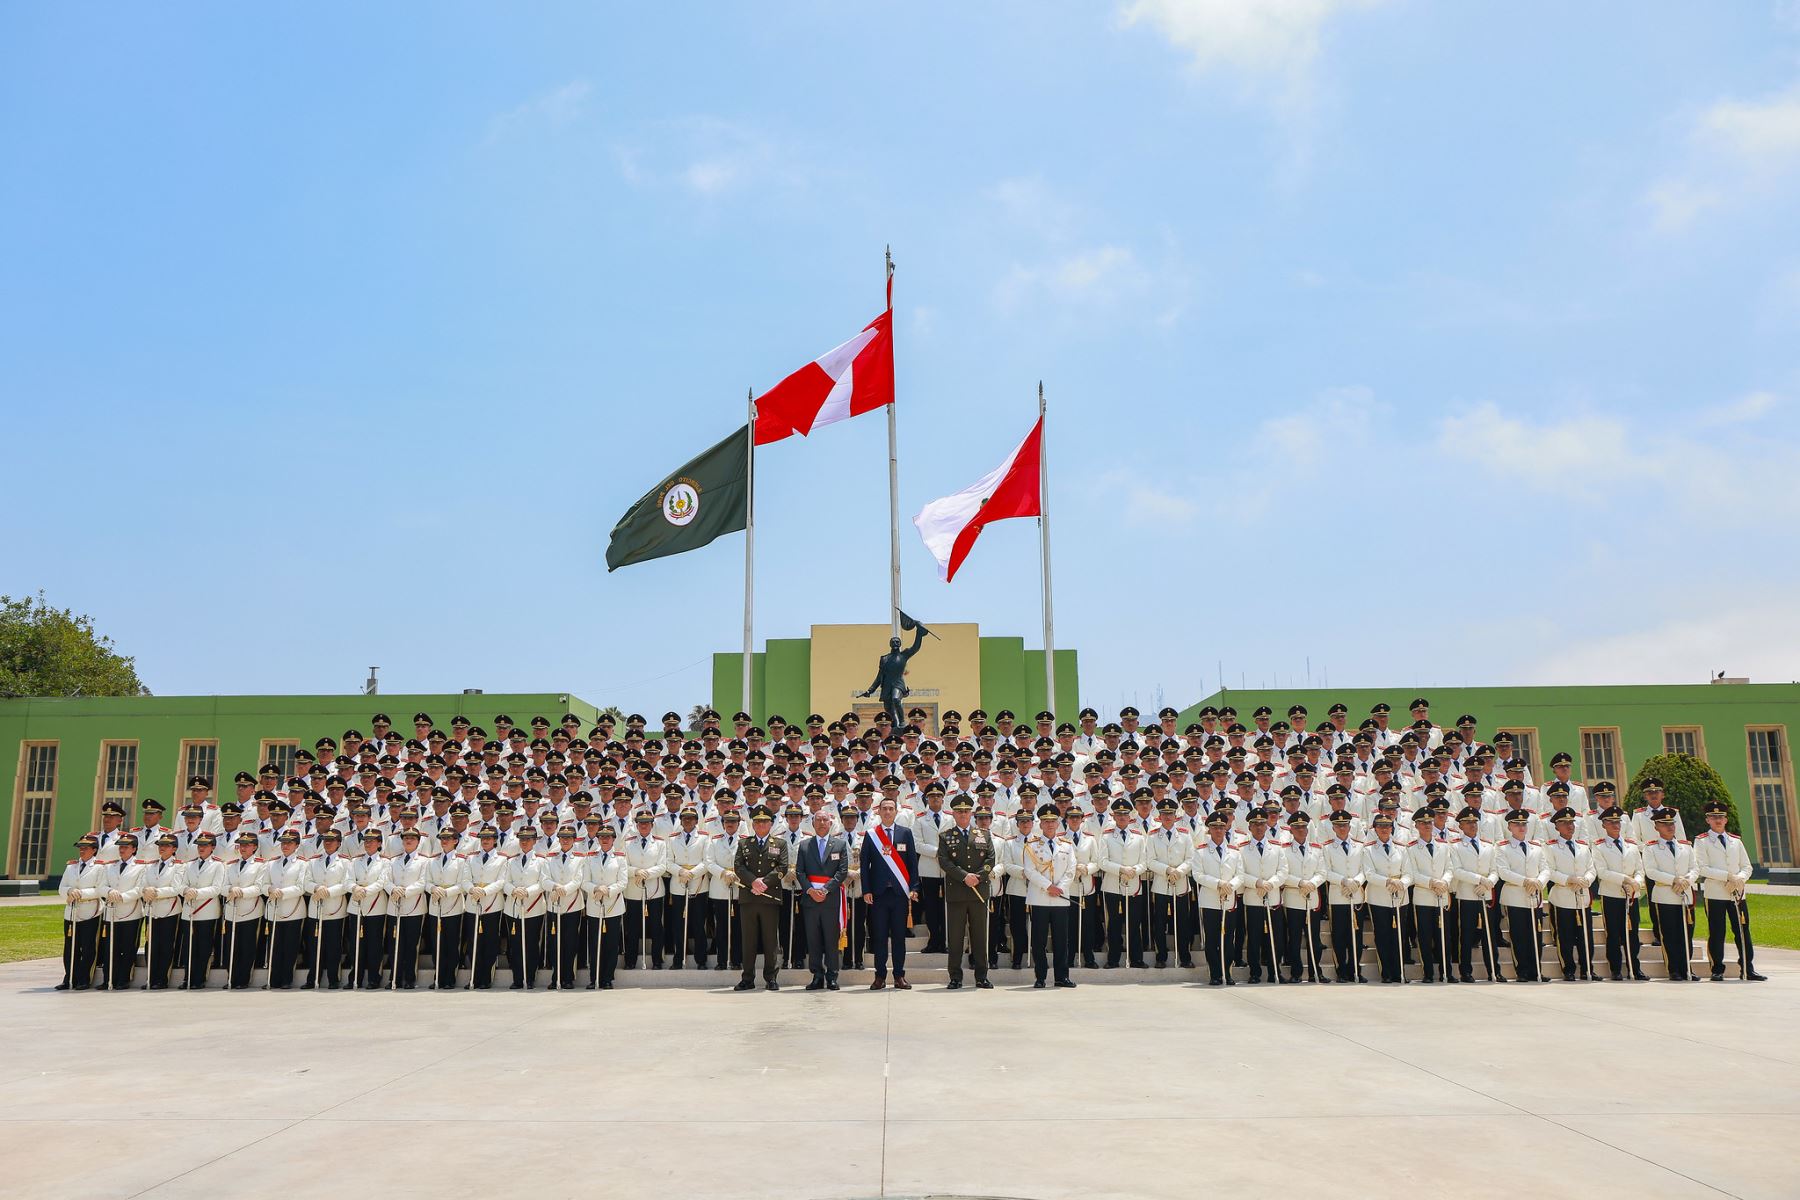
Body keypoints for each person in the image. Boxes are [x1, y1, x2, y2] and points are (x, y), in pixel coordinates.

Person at [1693, 799, 1763, 981]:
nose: (1718, 820)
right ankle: (1717, 969)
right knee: (1717, 932)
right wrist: (1727, 876)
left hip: (1737, 893)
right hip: (1716, 893)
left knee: (1742, 931)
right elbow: (1702, 868)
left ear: (1726, 819)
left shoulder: (1735, 841)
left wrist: (1739, 879)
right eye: (1713, 817)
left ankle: (1747, 968)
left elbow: (1747, 866)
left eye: (1721, 817)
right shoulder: (1701, 841)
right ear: (1707, 819)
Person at [936, 793, 995, 990]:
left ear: (971, 814)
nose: (963, 814)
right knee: (955, 938)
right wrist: (964, 876)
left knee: (979, 937)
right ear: (953, 814)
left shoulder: (984, 834)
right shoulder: (945, 836)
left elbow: (990, 860)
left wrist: (977, 877)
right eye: (959, 811)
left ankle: (981, 976)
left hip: (978, 892)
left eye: (966, 811)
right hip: (957, 893)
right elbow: (944, 861)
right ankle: (955, 977)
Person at [860, 794, 919, 990]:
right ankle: (879, 976)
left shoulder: (905, 833)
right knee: (879, 937)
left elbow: (912, 863)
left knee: (899, 937)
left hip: (899, 894)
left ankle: (899, 975)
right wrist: (866, 889)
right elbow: (864, 865)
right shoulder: (871, 835)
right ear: (878, 811)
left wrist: (914, 887)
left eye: (890, 808)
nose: (887, 812)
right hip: (878, 894)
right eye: (884, 808)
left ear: (896, 811)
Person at [733, 805, 789, 991]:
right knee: (748, 940)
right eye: (757, 821)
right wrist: (753, 882)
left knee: (770, 940)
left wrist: (763, 883)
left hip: (769, 897)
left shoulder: (779, 844)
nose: (761, 824)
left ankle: (771, 978)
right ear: (753, 824)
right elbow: (738, 867)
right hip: (749, 898)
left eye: (765, 821)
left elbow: (782, 867)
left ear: (771, 824)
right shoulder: (744, 843)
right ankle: (747, 978)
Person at [1022, 803, 1077, 988]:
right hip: (1040, 898)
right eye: (1046, 821)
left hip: (1060, 898)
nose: (1050, 824)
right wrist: (1048, 887)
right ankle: (1040, 977)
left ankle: (1062, 977)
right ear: (1041, 824)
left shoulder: (1067, 845)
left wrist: (1059, 888)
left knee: (1061, 940)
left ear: (1058, 823)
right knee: (1039, 941)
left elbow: (1071, 870)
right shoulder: (1031, 846)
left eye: (1053, 821)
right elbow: (1029, 871)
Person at [796, 806, 850, 990]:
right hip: (810, 900)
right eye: (818, 820)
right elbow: (800, 872)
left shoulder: (839, 845)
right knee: (813, 940)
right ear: (812, 823)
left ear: (830, 823)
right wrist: (811, 891)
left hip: (831, 900)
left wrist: (825, 890)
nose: (821, 823)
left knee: (831, 939)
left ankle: (832, 975)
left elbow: (842, 871)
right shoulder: (805, 845)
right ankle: (817, 976)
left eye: (825, 820)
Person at [1543, 806, 1595, 982]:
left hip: (1582, 896)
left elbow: (1591, 869)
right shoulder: (1550, 847)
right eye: (1565, 823)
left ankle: (1587, 968)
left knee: (1586, 937)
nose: (1570, 826)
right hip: (1563, 897)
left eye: (1572, 822)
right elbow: (1549, 870)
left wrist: (1586, 880)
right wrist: (1568, 879)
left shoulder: (1583, 847)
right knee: (1565, 937)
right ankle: (1568, 969)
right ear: (1557, 826)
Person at [1448, 806, 1499, 982]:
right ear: (1460, 826)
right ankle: (1466, 971)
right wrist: (1479, 879)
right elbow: (1457, 870)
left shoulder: (1488, 845)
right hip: (1466, 895)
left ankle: (1494, 970)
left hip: (1486, 894)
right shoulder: (1455, 846)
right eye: (1468, 822)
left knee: (1489, 935)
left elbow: (1495, 870)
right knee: (1466, 934)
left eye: (1474, 822)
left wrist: (1489, 882)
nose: (1472, 825)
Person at [1190, 811, 1240, 986]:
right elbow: (1197, 875)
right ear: (1209, 829)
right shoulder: (1201, 851)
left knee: (1228, 939)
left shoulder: (1234, 851)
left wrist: (1230, 885)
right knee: (1211, 940)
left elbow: (1240, 875)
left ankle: (1227, 972)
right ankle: (1215, 973)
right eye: (1215, 827)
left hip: (1229, 899)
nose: (1218, 830)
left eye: (1221, 827)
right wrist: (1218, 883)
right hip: (1210, 900)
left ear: (1226, 829)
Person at [1144, 797, 1194, 969]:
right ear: (1159, 816)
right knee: (1160, 923)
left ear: (1175, 815)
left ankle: (1185, 956)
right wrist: (1167, 870)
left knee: (1182, 922)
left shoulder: (1185, 835)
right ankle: (1161, 956)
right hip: (1161, 883)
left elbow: (1191, 859)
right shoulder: (1152, 836)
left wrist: (1179, 871)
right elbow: (1150, 860)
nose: (1167, 817)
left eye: (1170, 813)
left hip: (1180, 884)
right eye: (1164, 814)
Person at [1498, 811, 1547, 983]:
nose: (1521, 827)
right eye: (1517, 824)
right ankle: (1522, 971)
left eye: (1524, 824)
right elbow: (1503, 872)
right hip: (1515, 896)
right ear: (1509, 827)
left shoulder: (1536, 847)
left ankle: (1536, 970)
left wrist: (1539, 882)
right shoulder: (1502, 848)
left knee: (1536, 935)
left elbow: (1545, 869)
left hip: (1534, 896)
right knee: (1519, 936)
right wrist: (1525, 881)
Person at [1404, 808, 1452, 983]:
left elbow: (1450, 868)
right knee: (1424, 937)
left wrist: (1444, 882)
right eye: (1423, 823)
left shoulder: (1443, 846)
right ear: (1416, 825)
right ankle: (1428, 973)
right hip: (1423, 897)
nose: (1427, 825)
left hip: (1441, 896)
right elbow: (1412, 873)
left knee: (1444, 937)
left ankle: (1447, 972)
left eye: (1429, 822)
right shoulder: (1411, 848)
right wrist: (1431, 882)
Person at [1238, 810, 1286, 984]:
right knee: (1254, 938)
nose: (1259, 827)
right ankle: (1255, 973)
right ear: (1249, 827)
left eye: (1262, 824)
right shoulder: (1242, 849)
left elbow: (1283, 871)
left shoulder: (1277, 848)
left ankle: (1275, 971)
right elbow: (1239, 873)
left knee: (1276, 938)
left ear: (1267, 826)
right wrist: (1256, 883)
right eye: (1255, 824)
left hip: (1272, 898)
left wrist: (1271, 884)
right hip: (1253, 898)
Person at [57, 834, 108, 990]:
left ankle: (84, 979)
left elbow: (100, 889)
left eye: (86, 848)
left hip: (90, 911)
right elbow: (61, 887)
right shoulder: (71, 866)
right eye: (80, 847)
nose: (82, 850)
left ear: (94, 850)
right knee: (70, 947)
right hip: (72, 911)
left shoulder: (100, 867)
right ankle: (69, 978)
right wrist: (69, 891)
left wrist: (81, 893)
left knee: (87, 947)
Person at [303, 829, 351, 989]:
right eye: (325, 840)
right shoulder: (313, 861)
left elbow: (346, 884)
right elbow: (306, 881)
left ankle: (333, 979)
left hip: (335, 908)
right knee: (314, 946)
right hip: (316, 908)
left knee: (333, 947)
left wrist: (328, 891)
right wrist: (316, 888)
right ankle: (312, 979)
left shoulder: (345, 862)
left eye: (332, 840)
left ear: (339, 843)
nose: (328, 843)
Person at [581, 825, 627, 989]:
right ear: (598, 839)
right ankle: (594, 978)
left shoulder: (620, 858)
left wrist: (607, 890)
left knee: (611, 945)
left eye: (608, 837)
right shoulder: (590, 857)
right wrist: (595, 888)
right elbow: (584, 881)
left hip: (613, 906)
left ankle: (607, 978)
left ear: (613, 839)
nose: (605, 840)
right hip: (595, 906)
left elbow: (623, 882)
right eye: (601, 837)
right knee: (595, 944)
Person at [1321, 810, 1365, 983]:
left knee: (1356, 935)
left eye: (1345, 825)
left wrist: (1356, 882)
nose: (1342, 828)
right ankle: (1341, 970)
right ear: (1333, 827)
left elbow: (1364, 869)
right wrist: (1343, 881)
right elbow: (1325, 871)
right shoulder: (1327, 847)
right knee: (1339, 935)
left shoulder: (1359, 846)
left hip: (1356, 895)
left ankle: (1355, 969)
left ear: (1349, 827)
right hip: (1338, 896)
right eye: (1338, 825)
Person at [502, 826, 547, 989]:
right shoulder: (511, 861)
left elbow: (542, 883)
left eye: (528, 839)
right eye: (522, 839)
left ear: (534, 841)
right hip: (513, 907)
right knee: (515, 945)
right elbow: (504, 882)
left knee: (531, 944)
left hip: (533, 908)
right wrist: (513, 890)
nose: (525, 842)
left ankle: (529, 978)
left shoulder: (541, 861)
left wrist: (527, 892)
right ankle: (517, 978)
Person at [177, 832, 224, 988]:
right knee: (188, 947)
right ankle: (188, 978)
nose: (201, 848)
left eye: (205, 845)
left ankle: (200, 978)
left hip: (207, 911)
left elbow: (216, 888)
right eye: (199, 845)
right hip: (189, 911)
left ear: (212, 847)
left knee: (203, 947)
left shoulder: (218, 865)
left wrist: (197, 893)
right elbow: (181, 885)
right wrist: (185, 890)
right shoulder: (189, 865)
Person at [221, 831, 267, 990]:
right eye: (241, 844)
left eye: (247, 845)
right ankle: (231, 978)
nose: (243, 847)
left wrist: (241, 892)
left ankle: (243, 979)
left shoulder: (261, 865)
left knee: (247, 947)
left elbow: (259, 887)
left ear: (254, 847)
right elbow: (223, 886)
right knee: (231, 947)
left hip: (250, 910)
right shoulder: (231, 864)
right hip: (232, 911)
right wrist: (230, 890)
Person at [100, 833, 146, 990]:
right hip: (111, 913)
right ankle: (108, 979)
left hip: (130, 912)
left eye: (126, 847)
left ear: (134, 849)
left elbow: (140, 889)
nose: (122, 850)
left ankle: (123, 979)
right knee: (110, 948)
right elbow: (101, 886)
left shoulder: (141, 867)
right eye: (120, 847)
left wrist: (122, 896)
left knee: (128, 948)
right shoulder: (110, 866)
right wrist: (109, 892)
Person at [623, 811, 668, 969]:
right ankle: (630, 961)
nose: (644, 825)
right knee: (632, 928)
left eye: (647, 822)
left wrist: (646, 873)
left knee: (656, 927)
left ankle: (657, 960)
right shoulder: (628, 843)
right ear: (636, 825)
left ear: (652, 825)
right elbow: (623, 866)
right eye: (641, 822)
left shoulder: (660, 843)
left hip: (654, 890)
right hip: (633, 891)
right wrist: (636, 871)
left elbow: (662, 866)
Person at [464, 826, 508, 989]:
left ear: (495, 840)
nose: (485, 841)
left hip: (492, 904)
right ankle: (474, 977)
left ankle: (486, 978)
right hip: (473, 903)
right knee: (473, 942)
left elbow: (501, 881)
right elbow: (465, 879)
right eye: (483, 838)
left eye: (489, 838)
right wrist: (471, 889)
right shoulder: (471, 858)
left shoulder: (502, 859)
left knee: (490, 942)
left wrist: (484, 891)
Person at [141, 833, 186, 990]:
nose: (162, 848)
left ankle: (162, 979)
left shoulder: (179, 866)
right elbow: (143, 884)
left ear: (174, 849)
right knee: (151, 946)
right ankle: (150, 978)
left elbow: (176, 888)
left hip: (169, 910)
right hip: (152, 910)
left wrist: (155, 892)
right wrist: (145, 890)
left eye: (166, 845)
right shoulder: (151, 865)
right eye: (160, 845)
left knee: (166, 946)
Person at [385, 828, 429, 989]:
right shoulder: (393, 861)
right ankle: (394, 978)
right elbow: (386, 880)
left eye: (412, 838)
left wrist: (405, 891)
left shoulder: (424, 861)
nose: (408, 841)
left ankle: (410, 978)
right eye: (405, 838)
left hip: (414, 907)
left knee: (411, 945)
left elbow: (423, 882)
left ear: (418, 841)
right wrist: (393, 889)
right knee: (395, 944)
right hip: (395, 907)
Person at [348, 829, 390, 989]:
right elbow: (348, 880)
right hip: (356, 906)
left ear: (379, 843)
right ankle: (355, 978)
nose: (368, 843)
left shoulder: (385, 862)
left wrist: (364, 891)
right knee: (356, 945)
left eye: (372, 840)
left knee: (374, 944)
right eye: (366, 840)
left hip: (375, 906)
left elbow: (382, 882)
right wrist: (355, 888)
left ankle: (374, 978)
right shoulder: (355, 861)